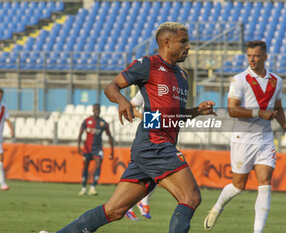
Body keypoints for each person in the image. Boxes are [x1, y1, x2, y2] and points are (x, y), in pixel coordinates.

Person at [40, 22, 216, 233]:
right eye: (183, 42)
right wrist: (122, 102)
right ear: (166, 43)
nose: (188, 47)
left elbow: (174, 117)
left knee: (114, 210)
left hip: (151, 147)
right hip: (154, 144)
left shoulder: (182, 76)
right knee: (191, 197)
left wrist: (196, 111)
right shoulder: (148, 65)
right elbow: (111, 87)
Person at [203, 40, 286, 233]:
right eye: (249, 55)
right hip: (243, 140)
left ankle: (258, 231)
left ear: (265, 57)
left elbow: (277, 108)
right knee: (238, 186)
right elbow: (231, 110)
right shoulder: (239, 80)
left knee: (265, 182)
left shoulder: (276, 81)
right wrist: (258, 113)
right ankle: (217, 207)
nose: (252, 59)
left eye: (255, 55)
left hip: (264, 140)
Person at [125, 90, 152, 220]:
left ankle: (130, 205)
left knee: (149, 175)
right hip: (147, 136)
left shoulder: (168, 89)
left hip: (162, 136)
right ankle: (138, 203)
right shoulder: (145, 90)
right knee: (153, 173)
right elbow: (131, 106)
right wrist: (144, 117)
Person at [77, 103, 114, 196]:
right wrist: (78, 146)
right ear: (93, 110)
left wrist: (112, 151)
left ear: (100, 111)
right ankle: (84, 188)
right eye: (95, 109)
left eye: (98, 109)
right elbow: (80, 134)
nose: (96, 111)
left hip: (97, 148)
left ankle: (93, 188)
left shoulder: (103, 123)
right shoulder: (86, 121)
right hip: (87, 148)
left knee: (98, 164)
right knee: (85, 166)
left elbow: (110, 136)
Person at [0, 88, 14, 191]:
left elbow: (7, 119)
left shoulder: (4, 107)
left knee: (1, 160)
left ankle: (2, 183)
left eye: (1, 95)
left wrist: (11, 129)